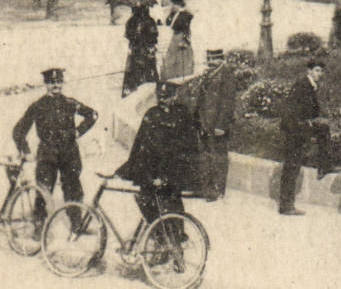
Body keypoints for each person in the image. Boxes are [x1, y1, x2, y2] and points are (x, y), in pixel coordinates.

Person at [11, 68, 98, 228]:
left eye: (58, 81)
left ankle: (76, 224)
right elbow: (18, 131)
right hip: (47, 155)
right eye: (51, 82)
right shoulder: (38, 106)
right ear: (46, 84)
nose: (55, 85)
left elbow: (92, 114)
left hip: (70, 154)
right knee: (43, 192)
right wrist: (26, 151)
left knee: (73, 190)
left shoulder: (70, 103)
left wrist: (78, 131)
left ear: (62, 83)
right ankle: (39, 226)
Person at [115, 80, 201, 238]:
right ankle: (160, 237)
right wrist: (125, 169)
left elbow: (187, 149)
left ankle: (174, 245)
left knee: (171, 206)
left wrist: (164, 176)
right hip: (151, 172)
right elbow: (140, 144)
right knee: (145, 200)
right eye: (160, 97)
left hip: (171, 173)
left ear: (175, 96)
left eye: (166, 97)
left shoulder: (182, 116)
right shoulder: (152, 114)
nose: (162, 101)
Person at [277, 57, 334, 216]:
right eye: (316, 70)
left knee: (292, 167)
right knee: (291, 168)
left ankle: (324, 165)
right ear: (309, 71)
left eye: (321, 71)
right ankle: (286, 205)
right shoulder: (303, 86)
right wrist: (309, 124)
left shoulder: (309, 86)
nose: (319, 74)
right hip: (294, 132)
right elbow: (292, 112)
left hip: (298, 129)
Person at [192, 52, 240, 199]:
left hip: (217, 125)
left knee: (219, 157)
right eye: (209, 59)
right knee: (206, 156)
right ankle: (206, 188)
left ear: (222, 59)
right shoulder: (208, 74)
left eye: (215, 59)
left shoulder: (227, 76)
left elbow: (228, 103)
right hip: (205, 122)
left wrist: (221, 125)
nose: (211, 62)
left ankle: (218, 189)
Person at [123, 2, 160, 97]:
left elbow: (127, 35)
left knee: (134, 73)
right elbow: (154, 36)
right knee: (149, 73)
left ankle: (132, 92)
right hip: (147, 51)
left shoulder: (131, 21)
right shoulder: (150, 20)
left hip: (135, 51)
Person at [162, 0, 195, 82]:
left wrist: (184, 40)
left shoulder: (186, 15)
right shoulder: (174, 13)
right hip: (175, 37)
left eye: (174, 4)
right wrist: (172, 13)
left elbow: (185, 29)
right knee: (172, 58)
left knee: (181, 59)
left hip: (180, 38)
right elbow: (168, 23)